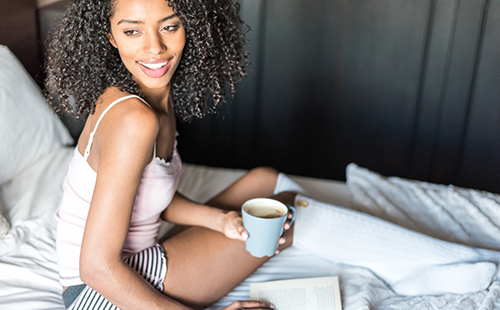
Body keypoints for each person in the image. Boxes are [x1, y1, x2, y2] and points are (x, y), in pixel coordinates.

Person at [46, 0, 500, 309]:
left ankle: (416, 263)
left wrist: (217, 220)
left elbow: (147, 197)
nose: (154, 48)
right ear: (108, 36)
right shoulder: (133, 120)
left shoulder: (149, 99)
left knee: (265, 181)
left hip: (127, 265)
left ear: (192, 26)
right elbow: (96, 267)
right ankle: (429, 269)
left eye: (170, 25)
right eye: (132, 30)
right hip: (101, 294)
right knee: (282, 215)